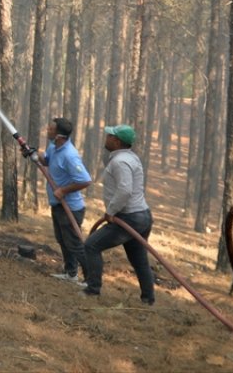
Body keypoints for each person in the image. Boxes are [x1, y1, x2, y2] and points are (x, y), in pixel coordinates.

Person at [81, 124, 155, 305]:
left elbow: (124, 191)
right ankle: (148, 299)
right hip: (142, 216)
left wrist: (110, 212)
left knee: (91, 246)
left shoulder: (120, 162)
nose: (106, 138)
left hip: (129, 218)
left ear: (117, 141)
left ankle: (92, 290)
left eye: (110, 136)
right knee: (139, 259)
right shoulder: (131, 158)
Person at [39, 117, 91, 283]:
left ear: (59, 135)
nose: (47, 130)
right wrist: (37, 155)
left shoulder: (70, 155)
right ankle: (71, 273)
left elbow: (85, 180)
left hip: (71, 207)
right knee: (62, 240)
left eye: (51, 129)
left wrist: (63, 190)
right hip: (58, 205)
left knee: (75, 244)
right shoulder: (54, 147)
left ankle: (91, 280)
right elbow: (48, 160)